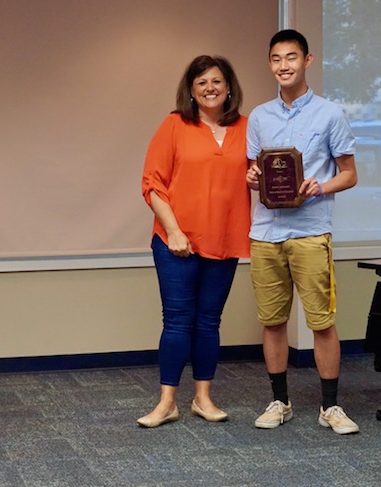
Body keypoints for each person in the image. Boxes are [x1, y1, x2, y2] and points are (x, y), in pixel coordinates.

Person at [245, 29, 359, 434]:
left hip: (311, 232)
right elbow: (254, 173)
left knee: (321, 323)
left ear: (307, 60)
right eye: (276, 59)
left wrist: (320, 185)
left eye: (291, 58)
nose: (283, 66)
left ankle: (330, 406)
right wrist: (253, 177)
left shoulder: (329, 114)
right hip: (266, 233)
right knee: (273, 321)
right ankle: (280, 401)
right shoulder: (259, 117)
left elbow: (349, 174)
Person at [138, 55, 251, 427]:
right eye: (201, 82)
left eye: (216, 81)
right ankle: (167, 402)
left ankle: (203, 398)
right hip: (176, 243)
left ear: (229, 86)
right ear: (191, 90)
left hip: (225, 239)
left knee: (208, 323)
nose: (209, 88)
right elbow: (152, 184)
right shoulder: (175, 125)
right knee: (176, 322)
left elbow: (263, 175)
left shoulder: (248, 128)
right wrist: (173, 231)